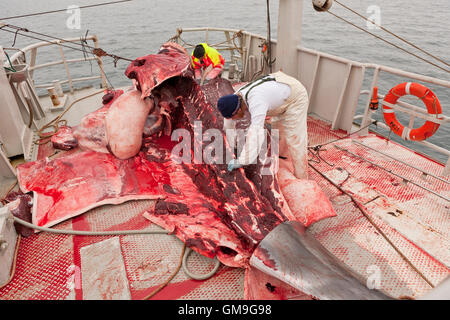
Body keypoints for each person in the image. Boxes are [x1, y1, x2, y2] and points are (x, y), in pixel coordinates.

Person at [217, 71, 309, 179]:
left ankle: (302, 178)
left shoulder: (256, 101)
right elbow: (229, 124)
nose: (233, 120)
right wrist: (231, 148)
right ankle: (282, 157)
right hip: (279, 92)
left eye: (233, 117)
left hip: (295, 97)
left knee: (295, 139)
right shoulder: (236, 98)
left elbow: (256, 132)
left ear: (237, 111)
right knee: (278, 131)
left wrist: (242, 161)